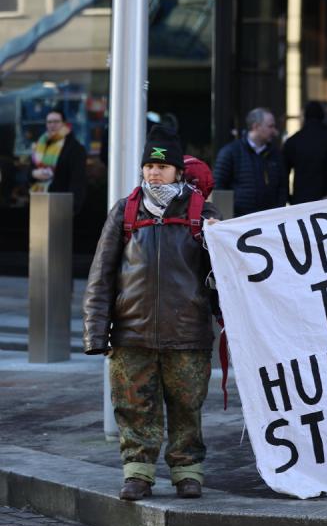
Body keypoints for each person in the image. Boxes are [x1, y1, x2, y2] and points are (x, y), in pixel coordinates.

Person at [82, 125, 222, 501]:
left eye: (162, 167)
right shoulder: (125, 211)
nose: (154, 173)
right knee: (133, 407)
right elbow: (101, 275)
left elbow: (225, 279)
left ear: (178, 170)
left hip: (188, 335)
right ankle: (138, 473)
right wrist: (96, 334)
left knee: (187, 407)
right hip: (131, 335)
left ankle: (187, 472)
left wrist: (217, 240)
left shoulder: (201, 213)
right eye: (148, 166)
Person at [214, 107, 286, 216]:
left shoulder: (276, 155)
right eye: (270, 126)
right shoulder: (230, 152)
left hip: (269, 222)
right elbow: (219, 188)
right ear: (256, 126)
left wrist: (278, 214)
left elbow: (282, 188)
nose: (274, 131)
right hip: (239, 222)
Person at [28, 109, 87, 214]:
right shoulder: (41, 143)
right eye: (49, 122)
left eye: (56, 121)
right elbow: (30, 170)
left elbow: (78, 180)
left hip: (61, 205)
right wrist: (34, 173)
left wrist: (73, 206)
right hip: (39, 201)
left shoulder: (75, 148)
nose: (52, 125)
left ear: (64, 123)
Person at [284, 101, 327, 204]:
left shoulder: (293, 140)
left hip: (300, 197)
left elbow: (284, 172)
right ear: (322, 116)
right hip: (324, 197)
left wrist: (288, 197)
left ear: (305, 117)